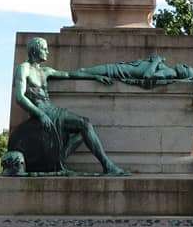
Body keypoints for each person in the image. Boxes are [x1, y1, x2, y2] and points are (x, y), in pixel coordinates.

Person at [9, 37, 126, 176]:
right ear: (35, 50)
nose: (47, 52)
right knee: (85, 124)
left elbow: (69, 74)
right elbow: (20, 97)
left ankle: (58, 160)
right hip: (42, 112)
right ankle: (108, 166)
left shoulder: (45, 71)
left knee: (83, 129)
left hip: (52, 110)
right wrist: (40, 115)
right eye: (44, 49)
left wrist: (93, 77)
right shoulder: (23, 68)